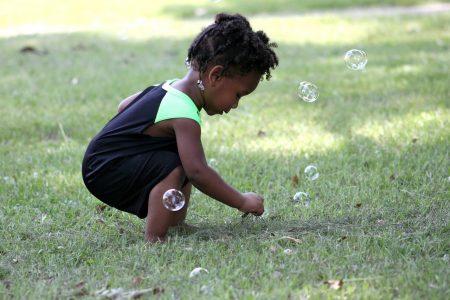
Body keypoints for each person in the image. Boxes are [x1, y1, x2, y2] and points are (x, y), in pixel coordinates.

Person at [81, 13, 279, 242]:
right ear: (215, 75)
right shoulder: (184, 115)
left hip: (100, 161)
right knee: (173, 166)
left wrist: (137, 146)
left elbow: (124, 105)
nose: (235, 104)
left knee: (176, 158)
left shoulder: (169, 88)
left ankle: (175, 223)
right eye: (238, 95)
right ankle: (156, 238)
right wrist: (241, 200)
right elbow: (198, 172)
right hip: (105, 171)